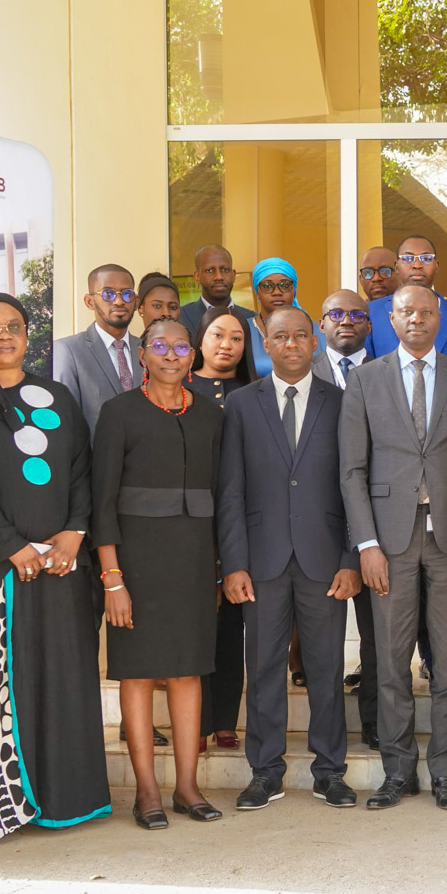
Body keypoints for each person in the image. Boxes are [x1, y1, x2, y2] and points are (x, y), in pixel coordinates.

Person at [0, 292, 111, 847]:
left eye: (14, 326)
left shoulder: (54, 394)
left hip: (60, 568)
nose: (4, 335)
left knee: (60, 682)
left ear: (28, 335)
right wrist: (13, 546)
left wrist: (74, 533)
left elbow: (83, 469)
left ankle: (65, 800)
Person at [340, 284, 447, 811]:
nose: (417, 320)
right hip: (389, 541)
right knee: (390, 664)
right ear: (392, 317)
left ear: (442, 319)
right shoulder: (364, 380)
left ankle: (446, 774)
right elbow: (352, 470)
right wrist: (367, 544)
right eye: (407, 312)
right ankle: (398, 772)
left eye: (427, 312)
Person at [218, 306, 364, 810]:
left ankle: (330, 771)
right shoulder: (240, 405)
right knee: (262, 670)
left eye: (302, 335)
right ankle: (265, 772)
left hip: (326, 560)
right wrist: (234, 563)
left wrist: (351, 557)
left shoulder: (342, 402)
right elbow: (231, 490)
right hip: (261, 561)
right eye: (282, 336)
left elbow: (353, 486)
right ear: (266, 342)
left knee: (325, 669)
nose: (293, 344)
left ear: (317, 341)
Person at [92, 317, 227, 829]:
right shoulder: (118, 413)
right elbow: (101, 504)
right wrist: (112, 579)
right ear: (142, 354)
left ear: (193, 355)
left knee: (188, 671)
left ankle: (188, 787)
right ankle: (146, 790)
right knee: (140, 673)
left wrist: (217, 570)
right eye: (159, 346)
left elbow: (223, 494)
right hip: (135, 566)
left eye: (180, 346)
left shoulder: (212, 417)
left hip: (193, 563)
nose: (171, 354)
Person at [185, 306, 255, 751]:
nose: (226, 344)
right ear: (200, 340)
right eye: (217, 335)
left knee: (231, 627)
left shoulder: (255, 392)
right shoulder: (179, 387)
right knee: (194, 625)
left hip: (242, 522)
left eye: (236, 338)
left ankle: (225, 718)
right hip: (189, 522)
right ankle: (198, 717)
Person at [318, 290, 382, 750]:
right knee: (322, 640)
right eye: (336, 314)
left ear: (371, 325)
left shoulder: (387, 374)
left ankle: (375, 722)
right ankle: (328, 734)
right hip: (315, 522)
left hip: (375, 520)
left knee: (378, 635)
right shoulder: (299, 371)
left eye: (356, 314)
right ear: (322, 324)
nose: (346, 321)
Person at [52, 263, 144, 434]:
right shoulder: (68, 351)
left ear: (136, 301)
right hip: (96, 459)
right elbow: (65, 422)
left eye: (127, 294)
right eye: (108, 293)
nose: (119, 301)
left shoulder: (148, 349)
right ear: (89, 301)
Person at [366, 234, 447, 361]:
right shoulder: (372, 312)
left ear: (437, 266)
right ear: (396, 266)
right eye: (408, 258)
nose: (417, 265)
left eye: (426, 258)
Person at [248, 257, 322, 377]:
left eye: (285, 285)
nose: (277, 292)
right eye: (267, 286)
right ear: (257, 291)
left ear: (294, 290)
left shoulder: (317, 332)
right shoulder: (242, 331)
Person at [179, 244, 257, 340]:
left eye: (225, 270)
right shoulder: (182, 316)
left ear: (233, 275)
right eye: (210, 270)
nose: (219, 277)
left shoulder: (251, 319)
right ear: (197, 276)